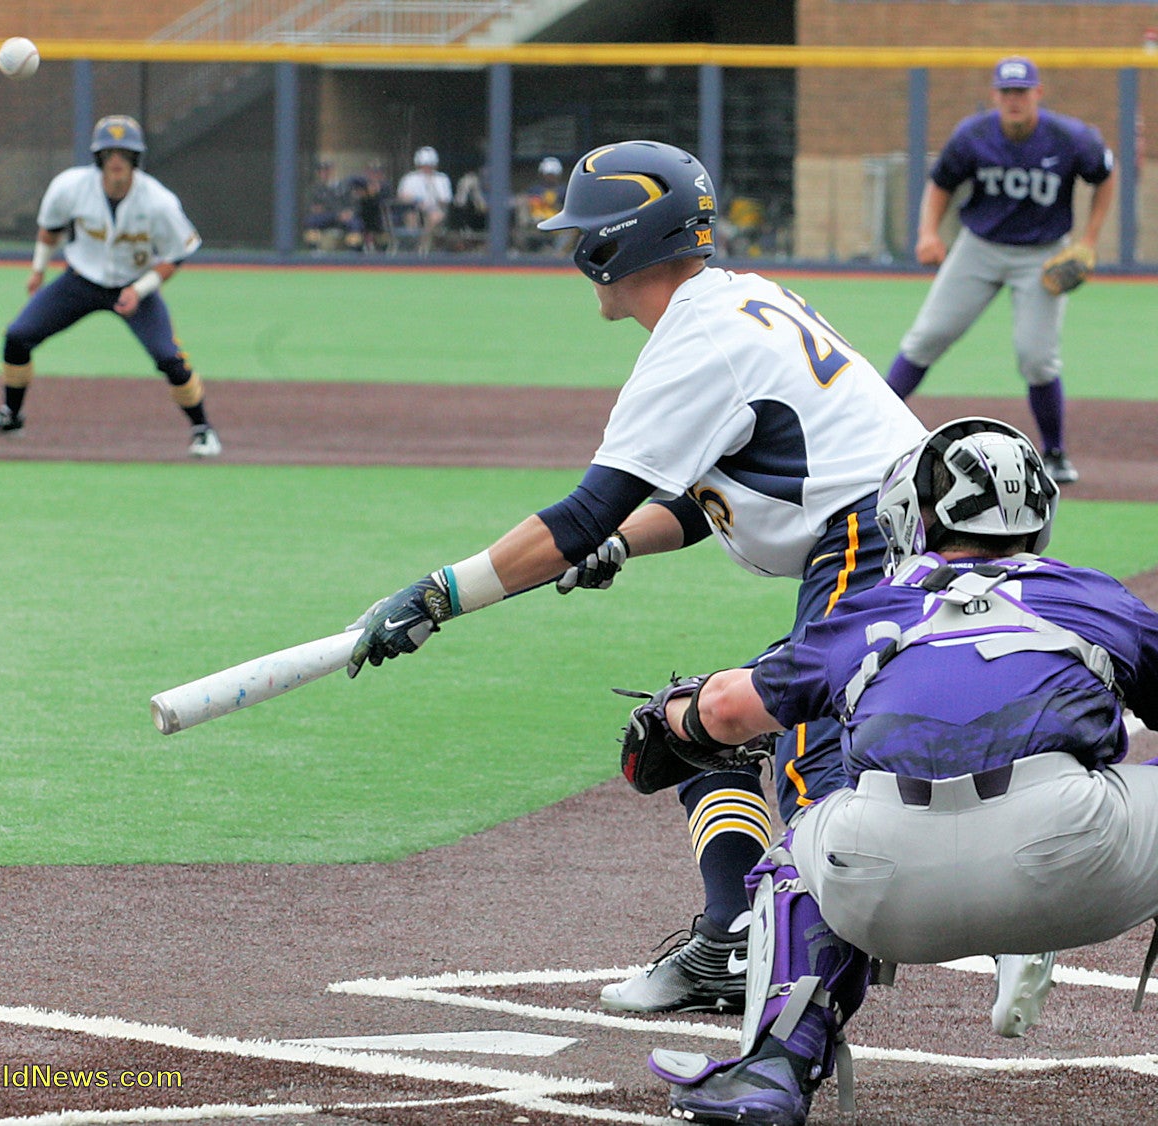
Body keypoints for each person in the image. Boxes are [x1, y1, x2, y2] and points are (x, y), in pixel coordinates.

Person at [343, 139, 925, 1015]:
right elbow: (712, 495)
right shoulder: (737, 302)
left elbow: (577, 517)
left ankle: (835, 967)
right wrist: (621, 545)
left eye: (580, 235)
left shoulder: (697, 341)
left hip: (871, 550)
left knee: (821, 777)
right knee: (697, 725)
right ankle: (731, 944)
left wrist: (438, 596)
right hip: (893, 542)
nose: (573, 252)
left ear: (611, 245)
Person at [643, 418, 1158, 1126]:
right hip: (1077, 859)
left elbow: (726, 713)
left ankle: (773, 1068)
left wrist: (670, 711)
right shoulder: (1092, 597)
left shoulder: (870, 607)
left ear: (911, 516)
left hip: (884, 880)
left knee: (802, 844)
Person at [884, 56, 1116, 487]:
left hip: (1041, 254)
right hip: (979, 249)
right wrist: (927, 233)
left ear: (1037, 94)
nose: (1014, 100)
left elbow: (1104, 174)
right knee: (927, 337)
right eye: (1007, 93)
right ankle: (871, 424)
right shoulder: (973, 135)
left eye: (1022, 92)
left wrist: (1088, 240)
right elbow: (941, 185)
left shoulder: (1070, 138)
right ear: (995, 96)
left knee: (1037, 358)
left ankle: (1055, 452)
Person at [0, 114, 220, 458]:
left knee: (169, 358)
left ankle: (203, 429)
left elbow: (175, 256)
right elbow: (49, 230)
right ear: (97, 158)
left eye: (124, 154)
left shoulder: (159, 202)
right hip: (80, 281)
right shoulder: (70, 187)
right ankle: (11, 416)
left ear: (136, 160)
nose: (116, 161)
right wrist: (38, 270)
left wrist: (139, 290)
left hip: (133, 286)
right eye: (109, 153)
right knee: (18, 337)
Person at [395, 145, 453, 253]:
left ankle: (423, 246)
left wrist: (433, 189)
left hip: (435, 210)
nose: (426, 168)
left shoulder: (441, 179)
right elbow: (402, 196)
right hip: (414, 209)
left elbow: (446, 200)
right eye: (424, 165)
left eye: (430, 166)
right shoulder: (410, 178)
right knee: (411, 216)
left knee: (434, 217)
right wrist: (418, 202)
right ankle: (412, 246)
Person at [517, 156, 568, 253]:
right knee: (520, 233)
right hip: (535, 224)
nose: (550, 177)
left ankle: (558, 255)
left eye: (553, 174)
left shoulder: (563, 190)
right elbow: (524, 201)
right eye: (548, 174)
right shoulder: (534, 189)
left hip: (557, 225)